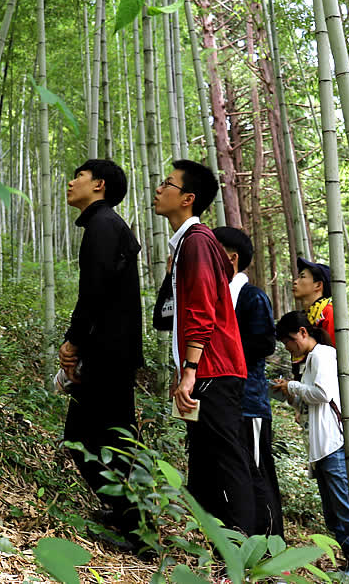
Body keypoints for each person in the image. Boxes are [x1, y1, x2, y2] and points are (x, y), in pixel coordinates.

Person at [153, 160, 254, 535]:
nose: (159, 189)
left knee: (226, 463)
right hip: (211, 367)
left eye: (167, 184)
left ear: (187, 198)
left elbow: (201, 309)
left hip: (212, 368)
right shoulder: (193, 243)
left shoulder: (196, 242)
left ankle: (243, 556)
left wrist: (190, 371)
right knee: (208, 464)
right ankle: (221, 550)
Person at [59, 159, 144, 550]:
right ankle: (127, 517)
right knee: (107, 435)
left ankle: (135, 526)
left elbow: (94, 291)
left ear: (100, 185)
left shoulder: (103, 226)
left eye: (80, 175)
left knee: (86, 436)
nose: (72, 181)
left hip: (108, 353)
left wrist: (74, 342)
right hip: (113, 351)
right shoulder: (107, 224)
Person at [271, 310, 349, 575]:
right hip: (321, 446)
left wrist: (293, 386)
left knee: (348, 508)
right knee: (335, 514)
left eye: (289, 341)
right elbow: (311, 400)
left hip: (333, 443)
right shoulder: (312, 359)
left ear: (302, 333)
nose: (288, 347)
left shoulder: (323, 354)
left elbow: (322, 394)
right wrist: (289, 391)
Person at [212, 225, 283, 538]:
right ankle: (237, 541)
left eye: (213, 252)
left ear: (232, 257)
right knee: (232, 474)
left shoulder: (252, 296)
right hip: (223, 401)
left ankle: (269, 547)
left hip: (249, 401)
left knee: (256, 472)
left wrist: (225, 348)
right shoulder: (217, 295)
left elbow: (266, 343)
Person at [292, 256, 349, 383]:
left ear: (318, 285)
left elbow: (344, 359)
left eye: (302, 277)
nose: (295, 281)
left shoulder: (327, 313)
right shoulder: (304, 317)